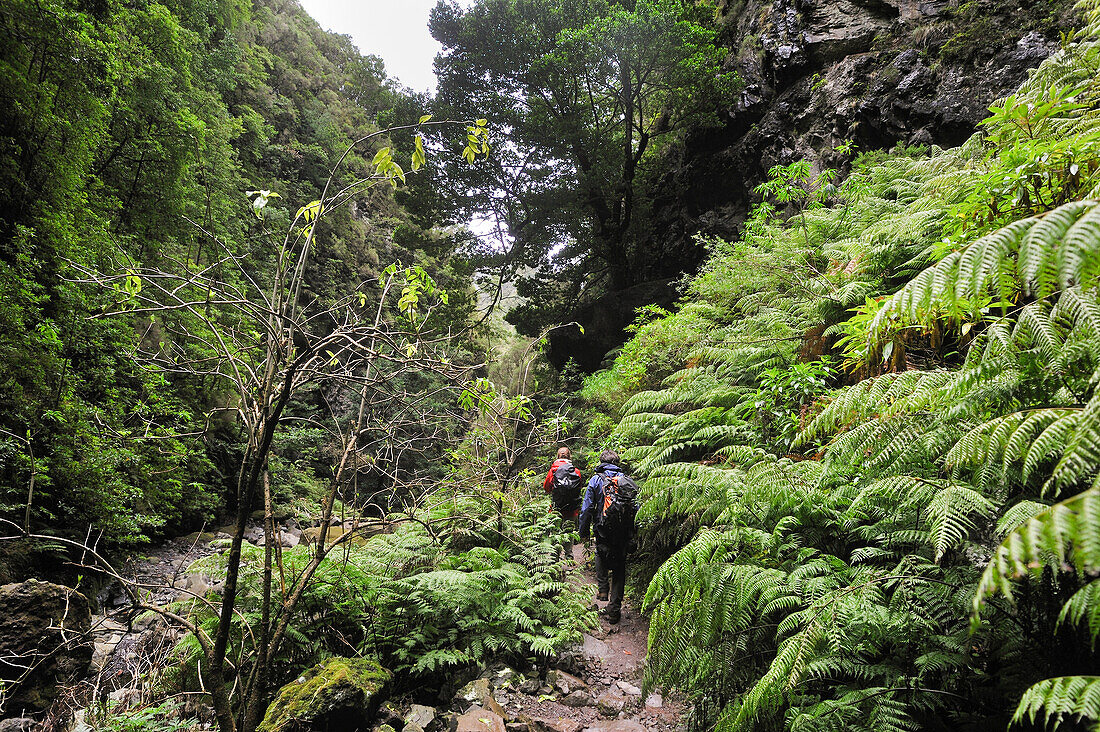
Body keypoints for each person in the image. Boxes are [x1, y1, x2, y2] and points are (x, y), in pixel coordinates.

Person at [578, 450, 638, 624]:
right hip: (623, 532)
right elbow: (637, 508)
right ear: (617, 462)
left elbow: (587, 508)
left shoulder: (596, 480)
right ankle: (614, 610)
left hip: (602, 529)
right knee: (620, 568)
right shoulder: (627, 481)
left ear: (601, 462)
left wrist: (583, 531)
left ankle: (603, 591)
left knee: (600, 554)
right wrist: (634, 533)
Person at [542, 446, 583, 522]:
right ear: (569, 457)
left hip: (557, 509)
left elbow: (546, 488)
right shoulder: (576, 471)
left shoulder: (553, 471)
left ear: (557, 457)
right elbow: (579, 488)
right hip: (573, 510)